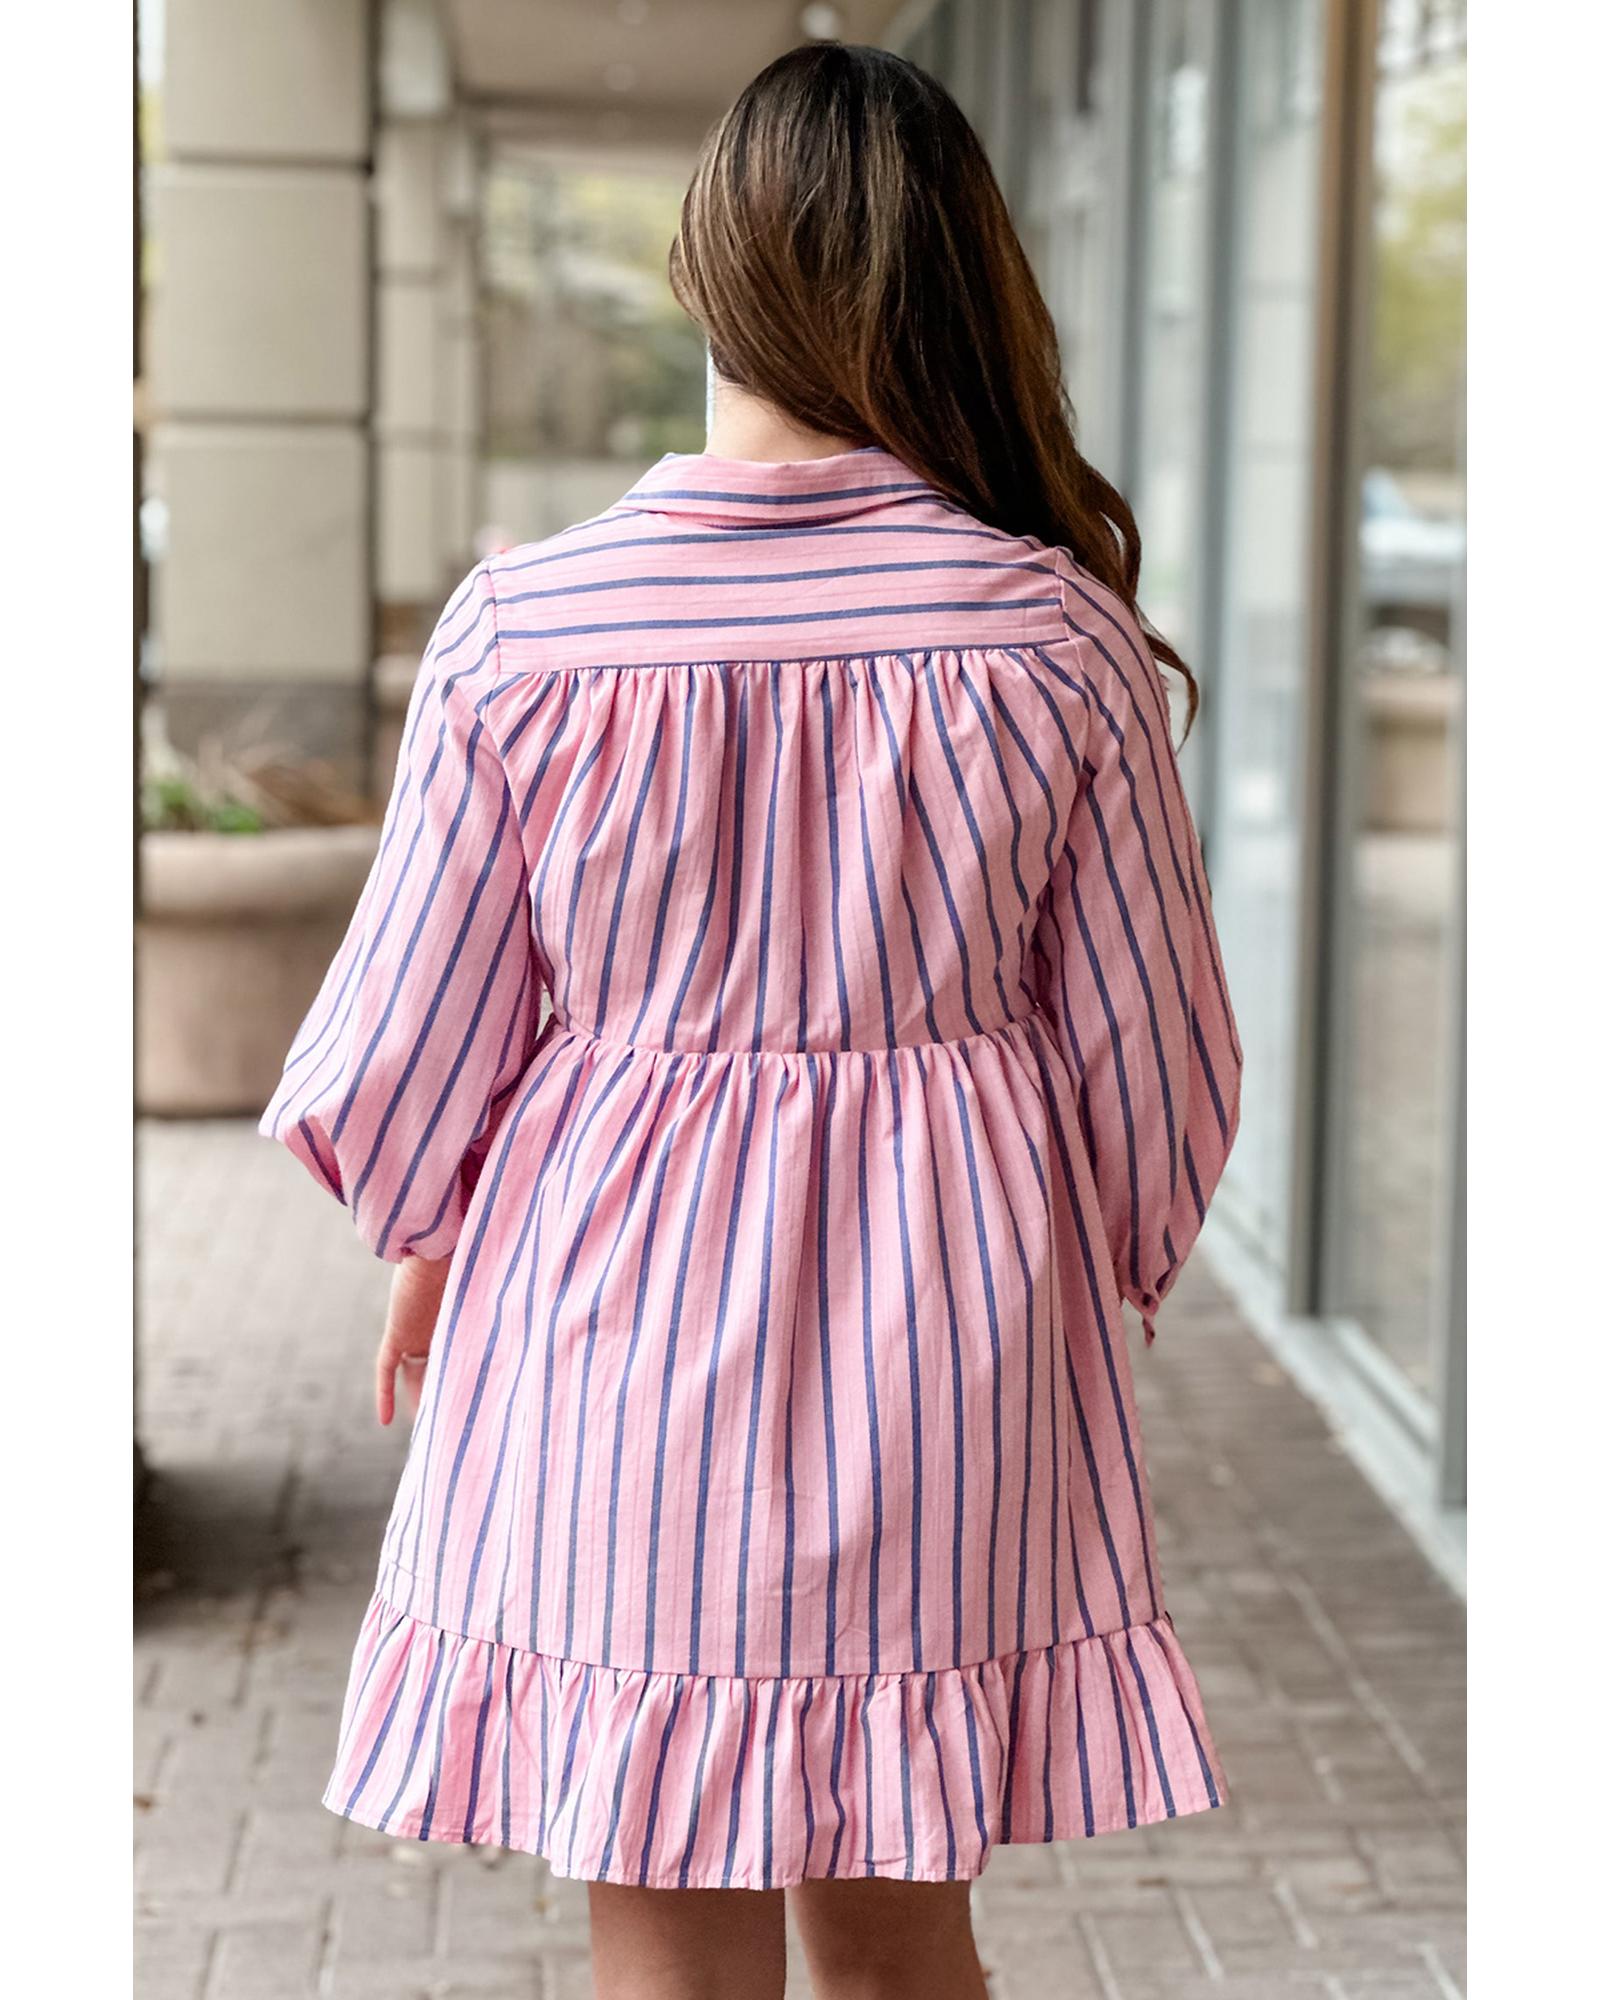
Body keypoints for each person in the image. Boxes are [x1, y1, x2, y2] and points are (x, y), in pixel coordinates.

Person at [260, 39, 1243, 2000]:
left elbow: (405, 1044)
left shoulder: (523, 626)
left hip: (603, 1330)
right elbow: (1162, 1072)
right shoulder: (1048, 638)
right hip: (946, 1351)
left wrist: (433, 1233)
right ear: (958, 283)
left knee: (661, 1927)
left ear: (706, 279)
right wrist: (1092, 1266)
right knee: (898, 1928)